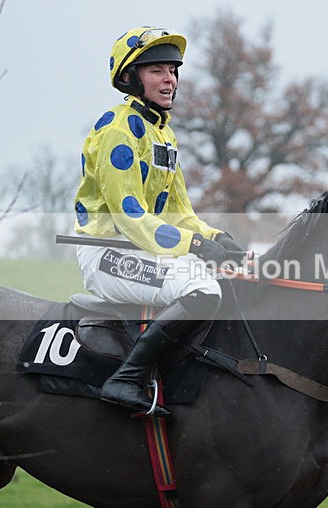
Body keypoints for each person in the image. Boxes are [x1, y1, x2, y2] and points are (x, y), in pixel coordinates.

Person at [73, 27, 243, 416]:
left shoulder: (163, 134)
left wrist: (218, 236)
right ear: (130, 77)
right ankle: (126, 379)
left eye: (173, 70)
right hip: (107, 253)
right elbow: (130, 216)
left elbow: (180, 213)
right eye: (157, 71)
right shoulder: (118, 128)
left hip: (145, 251)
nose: (169, 79)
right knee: (203, 291)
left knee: (222, 279)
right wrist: (195, 246)